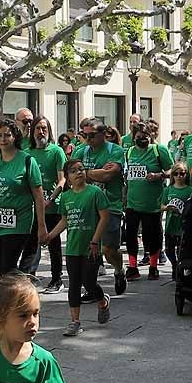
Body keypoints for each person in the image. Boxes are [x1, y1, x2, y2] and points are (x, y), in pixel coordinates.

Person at [47, 159, 110, 336]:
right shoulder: (66, 197)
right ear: (67, 178)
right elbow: (64, 221)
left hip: (92, 248)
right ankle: (75, 322)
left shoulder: (95, 193)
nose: (79, 173)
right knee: (74, 284)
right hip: (73, 248)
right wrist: (50, 236)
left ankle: (102, 301)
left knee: (89, 283)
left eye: (81, 169)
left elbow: (104, 217)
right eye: (74, 171)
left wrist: (95, 241)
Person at [0, 119, 45, 275]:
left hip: (19, 222)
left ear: (15, 137)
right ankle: (21, 293)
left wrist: (41, 226)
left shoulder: (27, 160)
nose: (3, 139)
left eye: (7, 135)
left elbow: (38, 195)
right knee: (0, 266)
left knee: (8, 265)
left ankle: (16, 296)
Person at [73, 119, 128, 294]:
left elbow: (108, 176)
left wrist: (86, 173)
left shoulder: (115, 150)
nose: (88, 139)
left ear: (103, 134)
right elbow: (73, 175)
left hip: (111, 205)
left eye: (92, 135)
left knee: (109, 250)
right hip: (87, 207)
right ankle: (91, 287)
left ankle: (119, 270)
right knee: (89, 248)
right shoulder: (81, 151)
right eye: (85, 135)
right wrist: (96, 172)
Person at [19, 115, 67, 293]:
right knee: (32, 243)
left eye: (44, 128)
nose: (41, 132)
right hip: (32, 208)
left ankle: (57, 279)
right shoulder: (26, 153)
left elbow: (62, 180)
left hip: (52, 206)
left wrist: (51, 199)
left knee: (53, 243)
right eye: (38, 128)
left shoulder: (56, 151)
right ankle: (29, 276)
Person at [122, 120, 172, 281]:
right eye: (138, 136)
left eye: (145, 136)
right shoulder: (129, 152)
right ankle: (132, 267)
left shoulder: (159, 150)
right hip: (132, 202)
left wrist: (159, 175)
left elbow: (173, 169)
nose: (142, 139)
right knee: (130, 235)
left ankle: (153, 266)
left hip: (153, 203)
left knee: (153, 236)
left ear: (151, 137)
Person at [161, 161, 192, 279]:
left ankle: (181, 268)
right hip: (171, 224)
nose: (179, 176)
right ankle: (174, 265)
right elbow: (161, 205)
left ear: (186, 175)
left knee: (182, 249)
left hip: (183, 225)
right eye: (176, 173)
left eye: (182, 173)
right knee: (169, 250)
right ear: (172, 175)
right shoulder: (168, 190)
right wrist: (167, 208)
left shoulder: (190, 190)